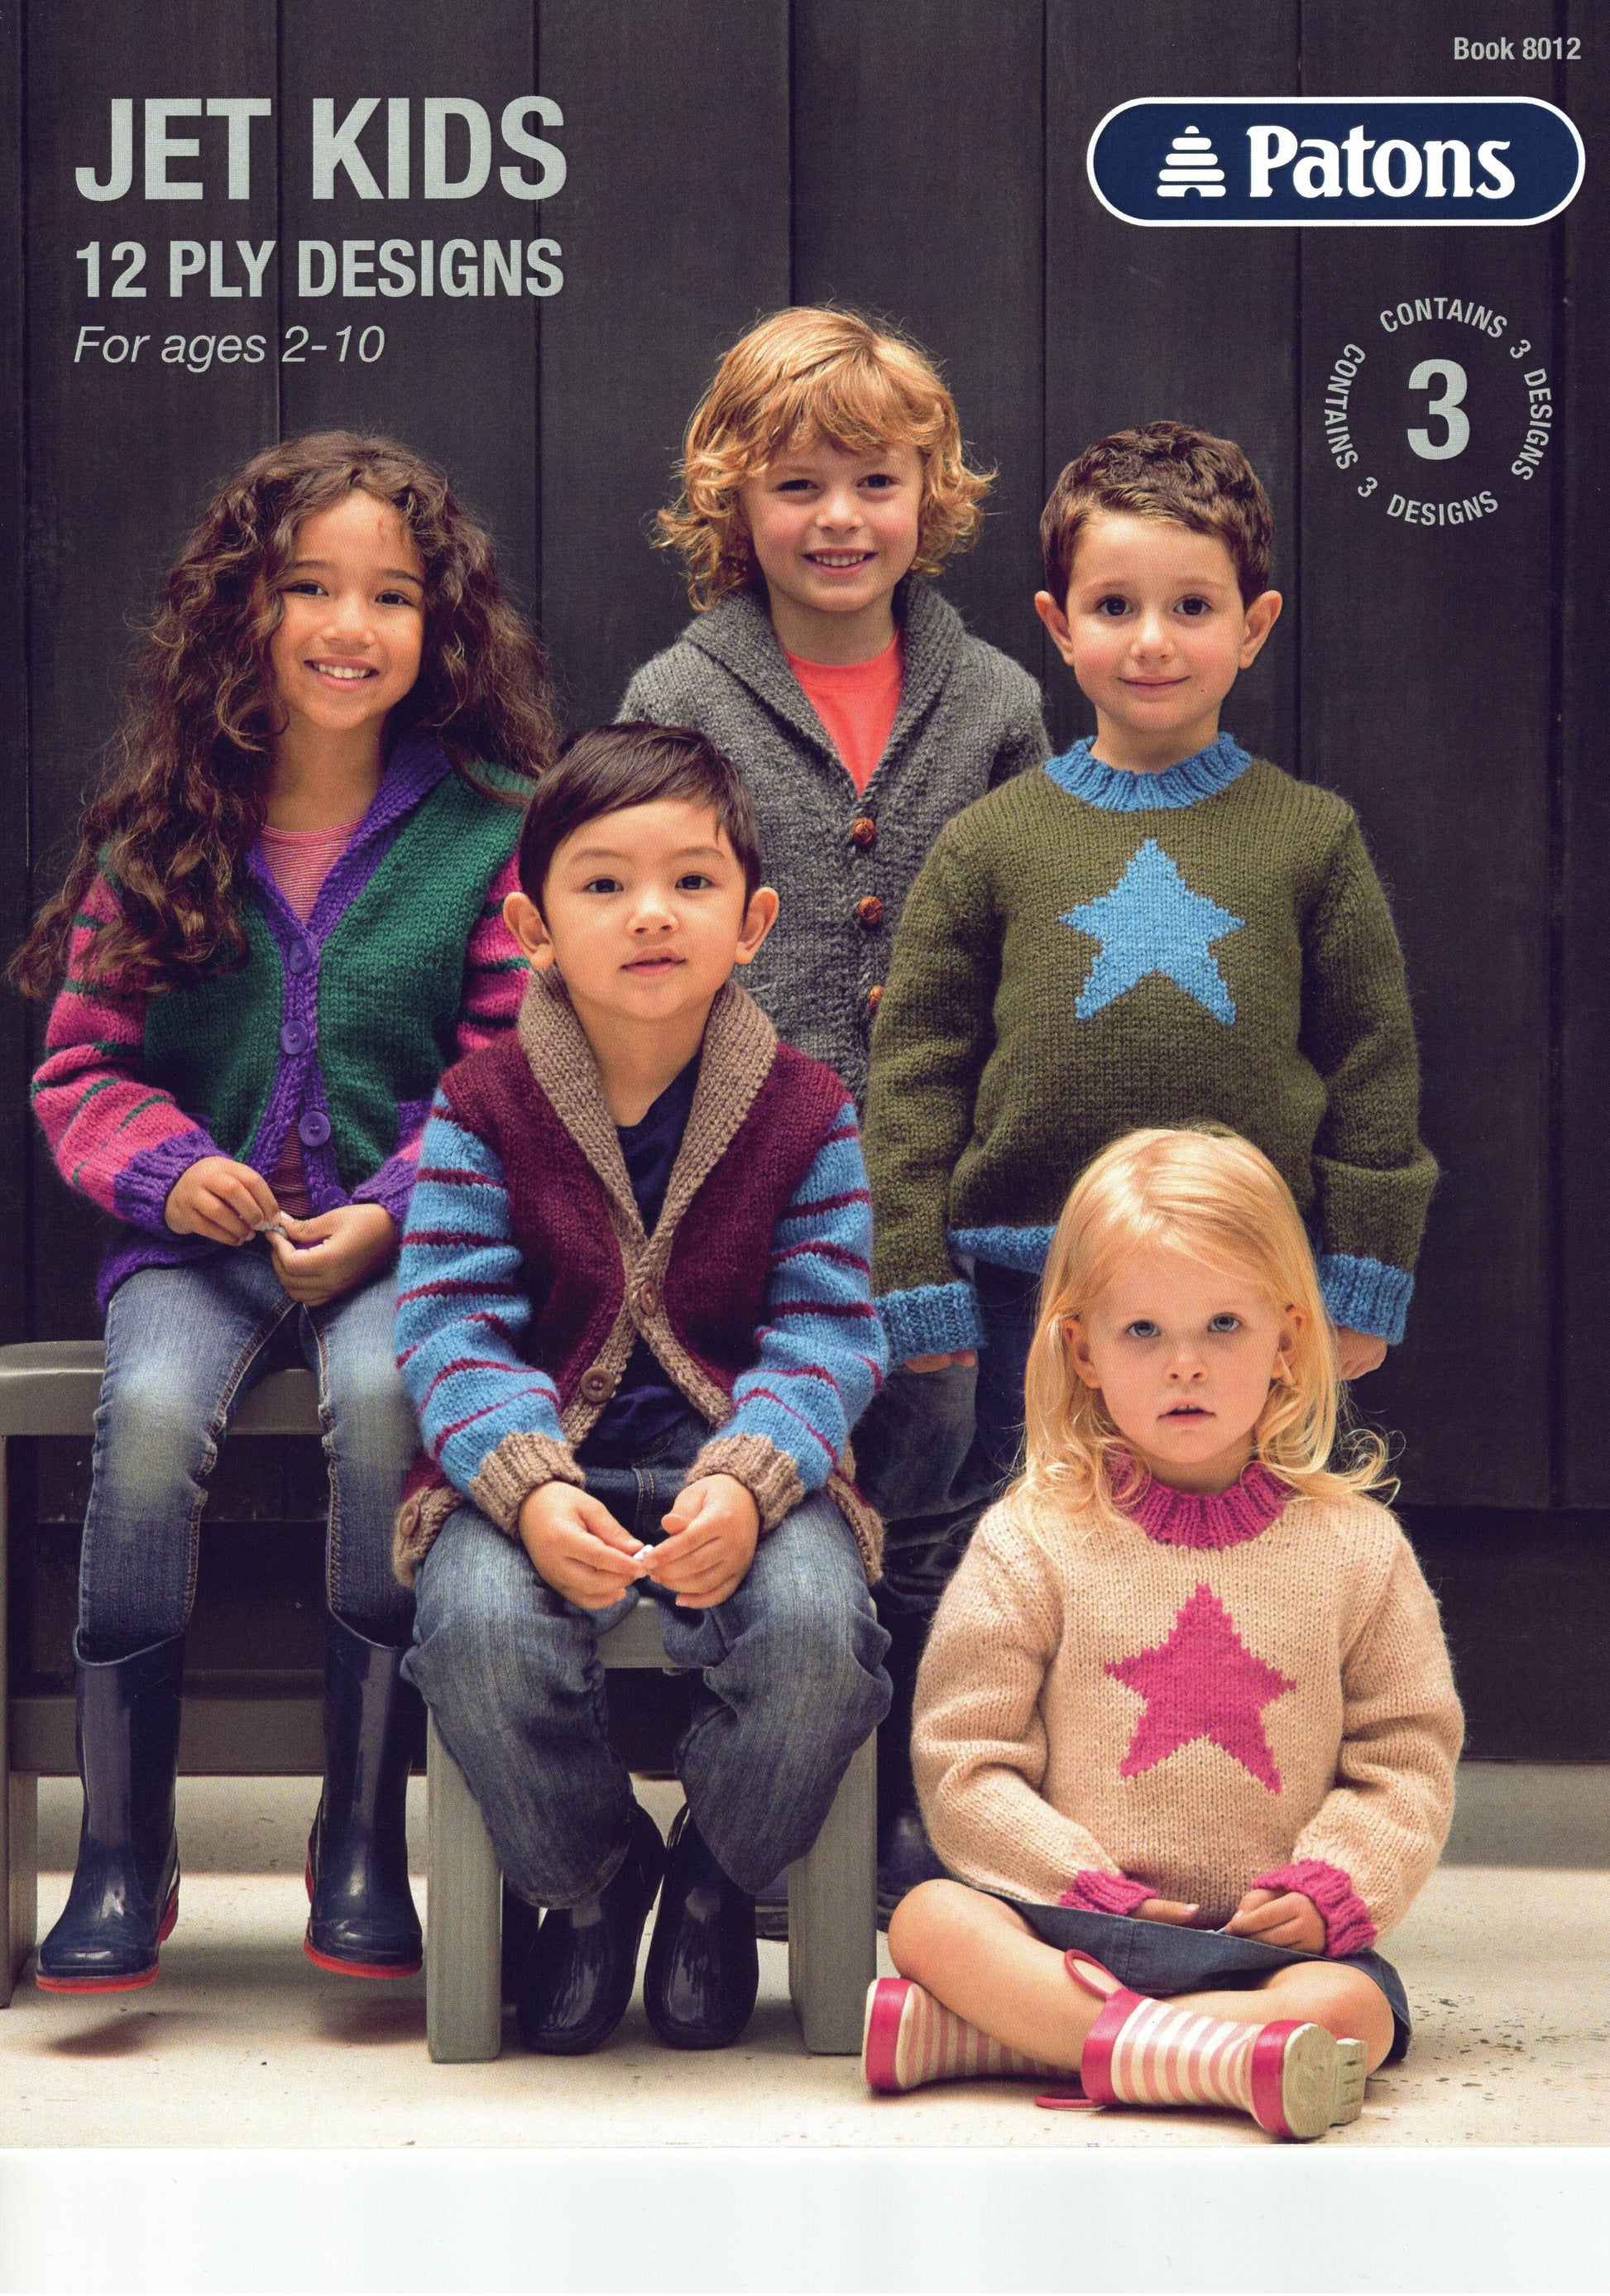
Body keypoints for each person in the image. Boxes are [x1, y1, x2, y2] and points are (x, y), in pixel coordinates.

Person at [15, 431, 553, 1992]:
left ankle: (361, 1832)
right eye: (308, 585)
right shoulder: (161, 830)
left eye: (391, 595)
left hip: (402, 1244)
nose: (347, 625)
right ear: (240, 609)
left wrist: (389, 1210)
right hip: (192, 1252)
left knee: (388, 1405)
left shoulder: (491, 827)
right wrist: (171, 1170)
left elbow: (506, 1069)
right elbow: (81, 1068)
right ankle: (123, 1846)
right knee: (147, 1423)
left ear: (440, 626)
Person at [865, 417, 1439, 1612]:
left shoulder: (1309, 837)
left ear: (1252, 626)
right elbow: (916, 1071)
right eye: (1114, 605)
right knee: (1021, 1557)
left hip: (1249, 1292)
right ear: (1057, 623)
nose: (1151, 640)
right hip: (1030, 1289)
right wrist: (912, 1266)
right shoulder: (990, 842)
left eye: (1191, 606)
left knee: (1255, 1558)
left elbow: (1371, 1067)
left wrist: (1363, 1273)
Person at [621, 306, 1049, 1902]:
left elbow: (1036, 930)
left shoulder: (993, 698)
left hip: (955, 1184)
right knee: (787, 1480)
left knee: (948, 1483)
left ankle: (906, 1814)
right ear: (733, 501)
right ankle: (758, 1798)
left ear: (929, 493)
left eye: (875, 482)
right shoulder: (681, 690)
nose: (839, 520)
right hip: (758, 1182)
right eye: (796, 485)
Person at [392, 722, 891, 2055]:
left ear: (752, 922)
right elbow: (447, 1321)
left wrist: (751, 1476)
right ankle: (597, 1876)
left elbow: (830, 1329)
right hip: (539, 1467)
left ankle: (716, 1877)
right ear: (534, 928)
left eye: (691, 880)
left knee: (817, 1635)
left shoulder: (806, 1110)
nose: (651, 912)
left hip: (747, 1469)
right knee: (475, 1630)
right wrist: (523, 1484)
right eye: (604, 883)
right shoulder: (482, 1105)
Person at [865, 1128, 1463, 2141]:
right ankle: (1206, 2059)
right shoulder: (1029, 1540)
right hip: (1067, 1925)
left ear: (1287, 1341)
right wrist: (1075, 1881)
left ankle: (1026, 2041)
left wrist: (1331, 1887)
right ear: (1080, 1353)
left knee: (1349, 2008)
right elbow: (965, 1760)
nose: (1184, 1364)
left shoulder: (1357, 1549)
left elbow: (1404, 1758)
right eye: (1141, 1330)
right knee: (929, 1920)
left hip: (1262, 1951)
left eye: (1222, 1325)